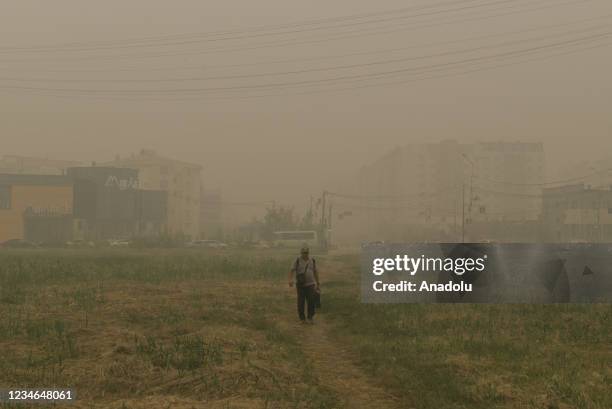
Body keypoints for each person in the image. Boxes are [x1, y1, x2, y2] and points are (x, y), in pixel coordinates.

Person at [288, 245, 320, 324]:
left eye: (306, 253)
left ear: (308, 253)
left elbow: (315, 271)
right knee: (301, 302)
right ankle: (302, 319)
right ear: (301, 253)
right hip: (300, 285)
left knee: (311, 301)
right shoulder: (297, 260)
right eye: (303, 253)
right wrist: (290, 280)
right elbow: (291, 270)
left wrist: (318, 282)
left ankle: (310, 317)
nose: (305, 254)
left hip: (311, 284)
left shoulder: (312, 260)